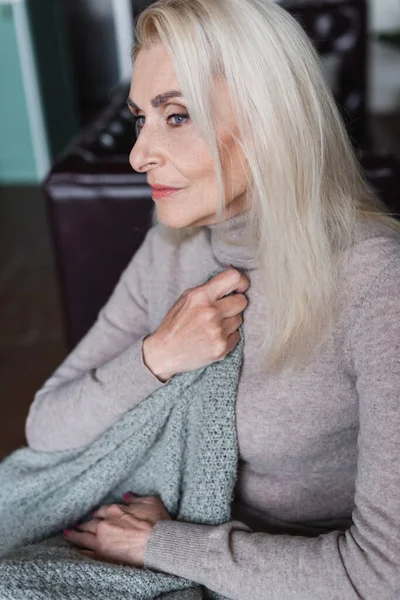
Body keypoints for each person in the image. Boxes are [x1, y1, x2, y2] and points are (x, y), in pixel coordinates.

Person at [25, 0, 400, 598]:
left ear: (271, 116)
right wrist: (157, 356)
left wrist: (161, 545)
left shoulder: (375, 280)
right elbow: (46, 426)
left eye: (176, 116)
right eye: (140, 117)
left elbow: (385, 575)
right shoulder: (170, 248)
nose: (137, 153)